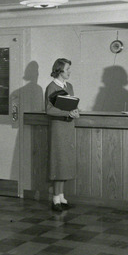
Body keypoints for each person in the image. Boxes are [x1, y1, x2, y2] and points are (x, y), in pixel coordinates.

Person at [45, 58, 80, 212]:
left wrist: (76, 111)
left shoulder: (69, 86)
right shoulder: (51, 87)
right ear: (59, 70)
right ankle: (55, 199)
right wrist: (68, 112)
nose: (69, 72)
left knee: (65, 163)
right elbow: (49, 110)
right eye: (67, 69)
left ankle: (61, 197)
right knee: (58, 162)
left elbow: (72, 105)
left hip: (68, 127)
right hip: (58, 128)